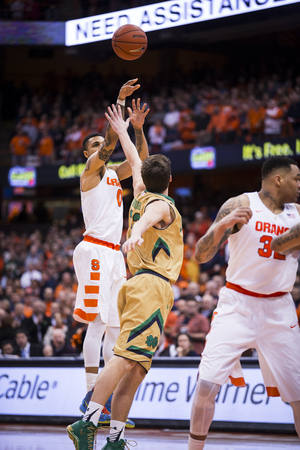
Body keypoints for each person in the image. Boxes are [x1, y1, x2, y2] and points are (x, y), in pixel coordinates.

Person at [66, 104, 184, 450]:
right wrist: (136, 234)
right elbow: (151, 215)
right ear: (171, 181)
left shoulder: (136, 191)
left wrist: (129, 128)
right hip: (144, 280)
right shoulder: (161, 204)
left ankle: (115, 437)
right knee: (122, 352)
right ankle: (87, 418)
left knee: (136, 364)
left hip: (138, 277)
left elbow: (136, 159)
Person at [188, 155, 300, 449]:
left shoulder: (297, 214)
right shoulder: (241, 204)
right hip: (237, 304)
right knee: (207, 385)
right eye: (296, 179)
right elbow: (200, 256)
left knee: (299, 394)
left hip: (279, 307)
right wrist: (221, 225)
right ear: (278, 179)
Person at [72, 79, 149, 428]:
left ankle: (102, 400)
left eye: (102, 142)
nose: (102, 145)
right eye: (96, 143)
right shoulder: (90, 171)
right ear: (88, 152)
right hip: (93, 251)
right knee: (98, 322)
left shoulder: (114, 177)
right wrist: (118, 105)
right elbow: (110, 145)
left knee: (116, 327)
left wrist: (138, 129)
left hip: (114, 254)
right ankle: (90, 394)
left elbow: (142, 161)